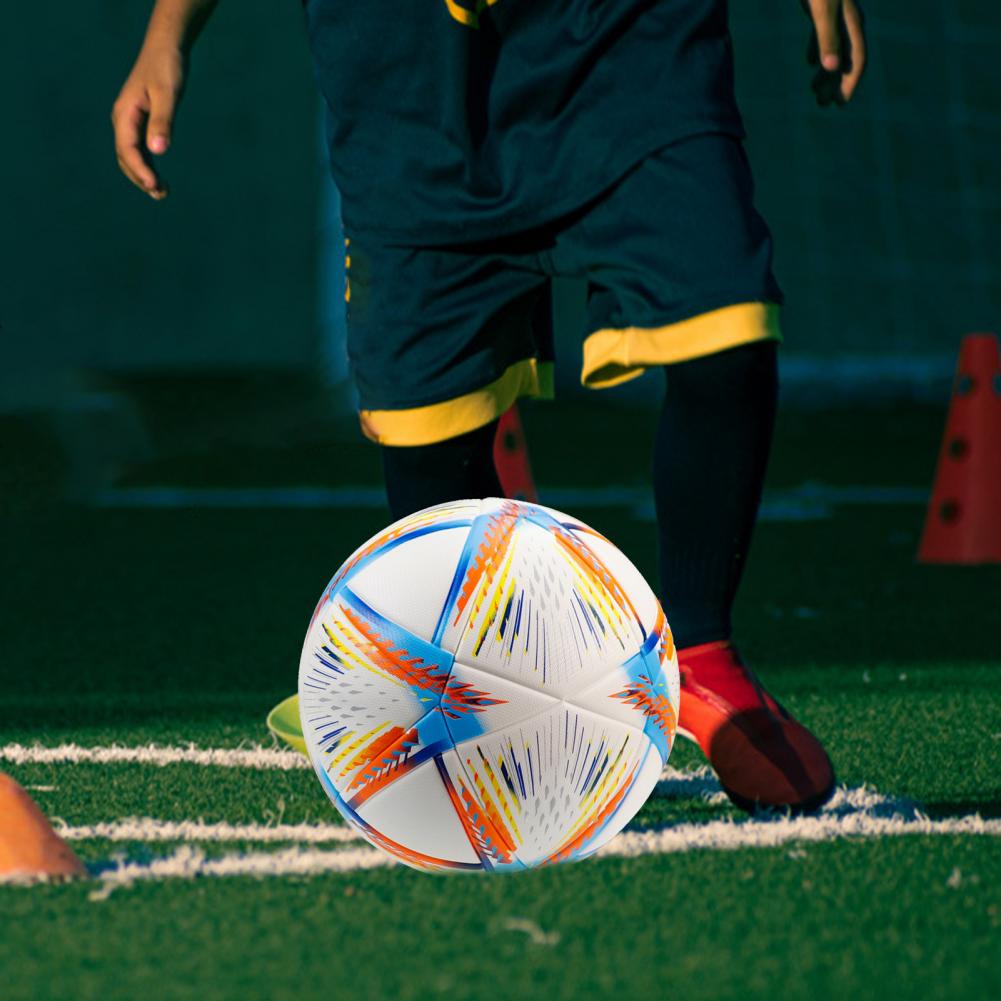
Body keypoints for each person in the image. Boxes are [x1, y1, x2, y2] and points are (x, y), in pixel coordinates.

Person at [113, 0, 866, 813]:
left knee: (724, 319)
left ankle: (699, 647)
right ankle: (480, 681)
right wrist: (166, 37)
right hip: (406, 84)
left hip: (623, 47)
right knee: (427, 439)